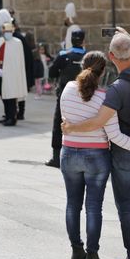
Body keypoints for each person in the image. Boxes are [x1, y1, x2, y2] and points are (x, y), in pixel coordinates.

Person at [62, 28, 130, 259]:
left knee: (118, 205)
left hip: (100, 154)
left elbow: (96, 123)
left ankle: (89, 252)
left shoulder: (108, 90)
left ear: (111, 57)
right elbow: (109, 131)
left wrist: (71, 128)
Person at [45, 30, 87, 168]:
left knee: (59, 124)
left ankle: (56, 158)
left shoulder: (64, 55)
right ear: (83, 40)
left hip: (64, 96)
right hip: (84, 96)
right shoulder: (88, 56)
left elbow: (51, 72)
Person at [0, 23, 27, 127]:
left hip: (12, 74)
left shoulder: (17, 43)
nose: (7, 34)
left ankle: (12, 118)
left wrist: (9, 70)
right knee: (4, 96)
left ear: (12, 32)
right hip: (0, 71)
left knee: (11, 97)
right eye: (5, 32)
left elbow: (18, 61)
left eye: (9, 32)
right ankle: (7, 115)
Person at [11, 11, 35, 120]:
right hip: (18, 68)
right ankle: (15, 112)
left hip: (21, 69)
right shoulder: (16, 37)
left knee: (19, 93)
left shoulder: (18, 38)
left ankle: (20, 112)